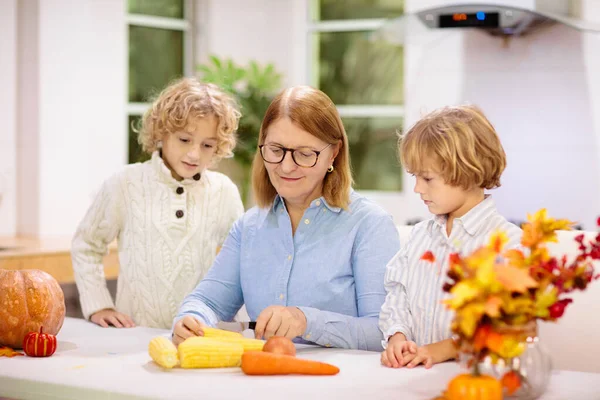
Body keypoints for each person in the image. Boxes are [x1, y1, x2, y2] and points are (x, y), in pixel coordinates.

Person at [172, 86, 400, 350]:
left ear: (334, 153)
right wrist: (191, 319)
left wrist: (306, 321)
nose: (287, 166)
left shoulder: (370, 225)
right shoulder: (249, 228)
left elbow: (383, 332)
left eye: (305, 154)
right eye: (276, 150)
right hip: (265, 379)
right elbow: (208, 302)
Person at [71, 77, 244, 329]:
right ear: (162, 132)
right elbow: (86, 244)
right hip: (133, 336)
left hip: (199, 336)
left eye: (207, 145)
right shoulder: (124, 184)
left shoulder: (223, 192)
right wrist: (99, 305)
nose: (195, 154)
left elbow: (240, 263)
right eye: (184, 139)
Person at [379, 105, 522, 368]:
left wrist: (444, 349)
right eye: (415, 176)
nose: (417, 188)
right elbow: (397, 294)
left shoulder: (508, 244)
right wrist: (397, 336)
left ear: (466, 172)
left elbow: (505, 324)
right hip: (415, 377)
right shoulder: (418, 238)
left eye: (427, 178)